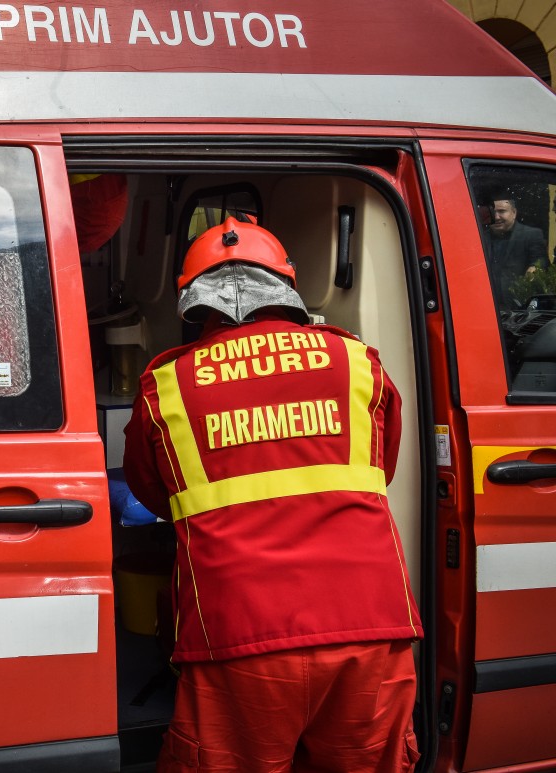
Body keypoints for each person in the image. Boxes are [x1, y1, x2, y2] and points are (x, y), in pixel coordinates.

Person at [123, 218, 422, 772]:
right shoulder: (357, 361)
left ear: (194, 305)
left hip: (238, 630)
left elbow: (154, 489)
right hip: (370, 623)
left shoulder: (167, 383)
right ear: (287, 289)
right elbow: (379, 468)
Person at [486, 196, 546, 307]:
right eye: (492, 212)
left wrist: (534, 269)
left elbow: (540, 261)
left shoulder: (531, 234)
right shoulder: (478, 237)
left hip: (521, 310)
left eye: (502, 211)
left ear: (514, 213)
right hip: (487, 307)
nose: (496, 217)